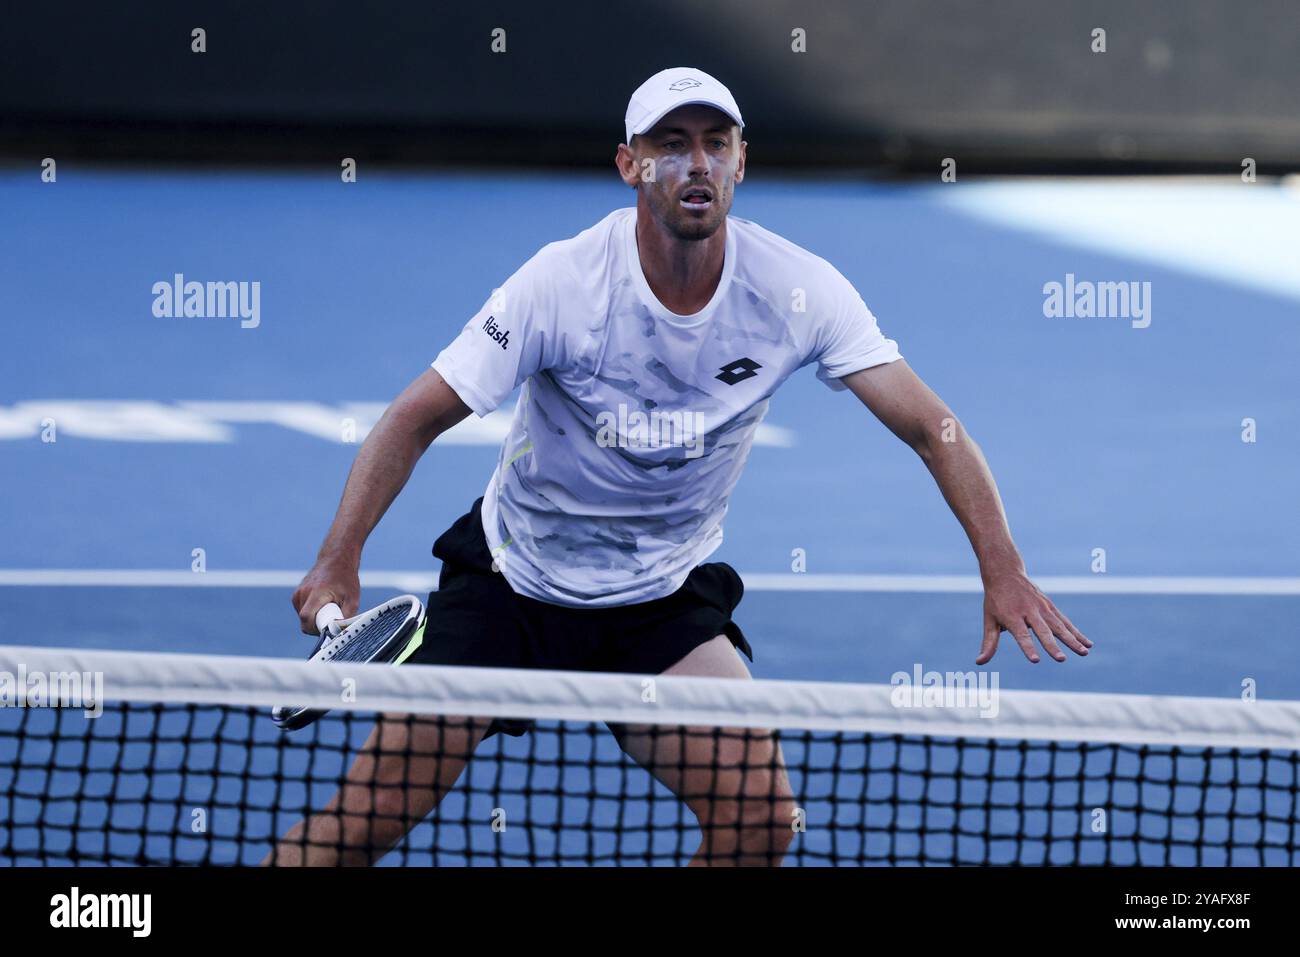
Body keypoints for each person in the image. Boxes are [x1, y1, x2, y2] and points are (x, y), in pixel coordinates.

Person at [267, 66, 1092, 867]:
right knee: (359, 827)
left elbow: (931, 425)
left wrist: (1003, 566)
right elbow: (414, 418)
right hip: (510, 586)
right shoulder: (559, 285)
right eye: (671, 142)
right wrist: (339, 556)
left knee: (762, 822)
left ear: (740, 160)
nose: (697, 162)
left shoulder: (799, 292)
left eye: (715, 142)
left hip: (657, 602)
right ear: (630, 164)